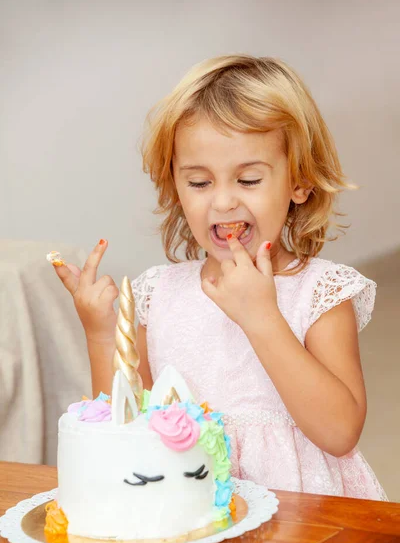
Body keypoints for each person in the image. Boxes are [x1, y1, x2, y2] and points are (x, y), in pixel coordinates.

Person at [53, 55, 387, 500]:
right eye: (199, 182)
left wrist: (261, 317)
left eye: (248, 179)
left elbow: (340, 432)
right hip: (195, 515)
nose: (223, 201)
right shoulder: (159, 294)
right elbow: (131, 429)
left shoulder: (320, 292)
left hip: (305, 524)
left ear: (300, 183)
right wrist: (101, 334)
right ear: (175, 188)